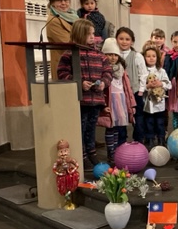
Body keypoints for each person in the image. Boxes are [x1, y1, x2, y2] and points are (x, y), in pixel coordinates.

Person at [57, 20, 112, 170]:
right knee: (80, 129)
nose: (93, 37)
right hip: (80, 101)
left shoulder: (99, 54)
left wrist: (103, 83)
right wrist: (79, 83)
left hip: (96, 100)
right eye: (89, 34)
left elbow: (108, 72)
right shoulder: (69, 54)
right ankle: (82, 156)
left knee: (91, 129)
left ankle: (92, 153)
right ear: (79, 34)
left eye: (93, 33)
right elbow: (62, 73)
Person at [98, 39, 136, 165]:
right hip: (110, 102)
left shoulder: (121, 70)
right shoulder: (102, 70)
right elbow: (101, 90)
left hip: (121, 101)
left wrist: (131, 104)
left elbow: (127, 88)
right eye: (109, 54)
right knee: (110, 128)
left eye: (115, 55)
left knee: (117, 129)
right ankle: (111, 153)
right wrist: (103, 105)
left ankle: (116, 152)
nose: (113, 57)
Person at [116, 27, 148, 146]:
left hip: (134, 92)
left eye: (127, 39)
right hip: (119, 92)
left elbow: (143, 74)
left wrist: (141, 91)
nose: (124, 42)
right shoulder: (114, 55)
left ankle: (138, 141)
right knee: (121, 117)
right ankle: (121, 142)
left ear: (132, 41)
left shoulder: (137, 56)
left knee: (138, 118)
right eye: (121, 39)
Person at [46, 0, 79, 81]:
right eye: (59, 1)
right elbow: (67, 43)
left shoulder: (74, 16)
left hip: (76, 62)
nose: (64, 3)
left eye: (66, 0)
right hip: (64, 65)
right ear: (52, 3)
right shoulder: (53, 20)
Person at [142, 46, 171, 149]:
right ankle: (150, 140)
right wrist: (147, 86)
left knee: (160, 123)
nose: (151, 58)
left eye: (153, 56)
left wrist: (161, 84)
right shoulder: (143, 71)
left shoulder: (161, 71)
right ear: (144, 58)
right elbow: (139, 87)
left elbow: (169, 85)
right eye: (148, 56)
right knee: (149, 123)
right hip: (147, 104)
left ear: (157, 58)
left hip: (159, 104)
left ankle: (161, 140)